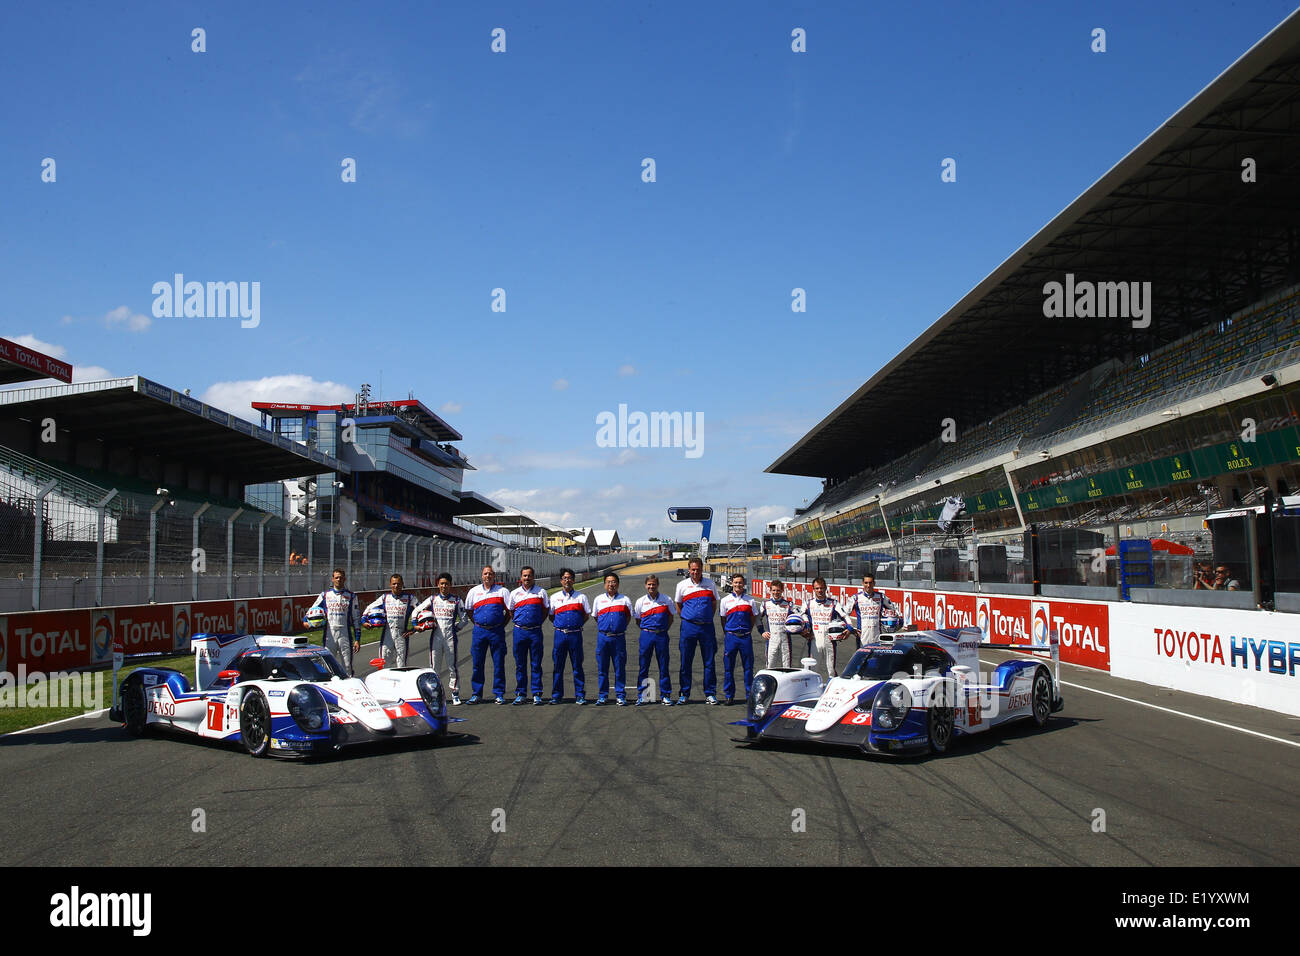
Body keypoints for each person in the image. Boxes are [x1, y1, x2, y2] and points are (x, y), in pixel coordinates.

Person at [414, 572, 467, 704]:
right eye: (442, 583)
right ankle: (434, 694)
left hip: (450, 637)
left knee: (452, 666)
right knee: (434, 668)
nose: (444, 586)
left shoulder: (457, 600)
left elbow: (465, 619)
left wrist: (456, 628)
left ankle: (455, 693)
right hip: (436, 637)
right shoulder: (432, 599)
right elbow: (416, 610)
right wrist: (416, 625)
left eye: (446, 584)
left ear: (450, 585)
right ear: (438, 584)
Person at [674, 557, 721, 705]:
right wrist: (687, 618)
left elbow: (714, 604)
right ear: (689, 569)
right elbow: (678, 604)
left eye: (698, 570)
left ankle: (710, 693)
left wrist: (705, 617)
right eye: (693, 569)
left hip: (706, 627)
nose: (695, 572)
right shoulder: (682, 585)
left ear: (702, 569)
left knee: (709, 661)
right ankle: (684, 693)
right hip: (689, 627)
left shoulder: (710, 584)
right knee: (685, 661)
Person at [464, 565, 513, 704]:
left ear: (494, 576)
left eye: (490, 574)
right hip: (479, 632)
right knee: (477, 663)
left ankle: (499, 693)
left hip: (496, 631)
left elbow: (509, 612)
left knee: (498, 663)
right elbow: (469, 610)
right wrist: (477, 623)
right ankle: (476, 693)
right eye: (485, 574)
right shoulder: (473, 591)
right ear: (482, 576)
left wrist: (501, 624)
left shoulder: (502, 591)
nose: (488, 576)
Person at [308, 568, 361, 677]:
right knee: (328, 665)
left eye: (341, 578)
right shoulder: (325, 595)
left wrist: (357, 639)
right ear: (332, 579)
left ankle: (349, 687)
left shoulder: (351, 596)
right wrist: (306, 622)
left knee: (347, 665)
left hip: (345, 634)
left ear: (345, 579)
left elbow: (356, 618)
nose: (339, 580)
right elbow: (312, 610)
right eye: (336, 577)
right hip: (329, 634)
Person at [509, 566, 550, 705]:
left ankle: (537, 693)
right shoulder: (514, 593)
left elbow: (545, 611)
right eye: (524, 576)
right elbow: (511, 612)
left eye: (529, 576)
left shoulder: (541, 592)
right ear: (521, 578)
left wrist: (537, 622)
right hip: (520, 631)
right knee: (520, 664)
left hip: (535, 632)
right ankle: (521, 693)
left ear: (533, 577)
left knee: (536, 663)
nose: (527, 578)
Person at [549, 568, 591, 704]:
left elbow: (586, 615)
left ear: (573, 580)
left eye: (570, 578)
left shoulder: (581, 597)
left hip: (575, 635)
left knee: (577, 665)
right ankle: (556, 695)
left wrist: (575, 625)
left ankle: (580, 695)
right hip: (560, 635)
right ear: (561, 580)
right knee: (558, 666)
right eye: (565, 578)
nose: (567, 580)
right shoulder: (554, 597)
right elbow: (551, 616)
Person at [592, 572, 634, 705]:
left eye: (614, 582)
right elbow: (595, 617)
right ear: (604, 584)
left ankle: (620, 695)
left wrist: (618, 628)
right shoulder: (598, 599)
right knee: (602, 668)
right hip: (603, 638)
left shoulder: (625, 599)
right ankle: (603, 695)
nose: (611, 584)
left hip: (618, 638)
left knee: (619, 668)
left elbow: (628, 617)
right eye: (608, 582)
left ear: (618, 584)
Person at [800, 576, 854, 678]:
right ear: (813, 589)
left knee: (831, 669)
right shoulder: (807, 603)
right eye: (817, 588)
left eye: (821, 588)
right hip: (814, 639)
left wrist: (849, 629)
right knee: (812, 668)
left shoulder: (834, 603)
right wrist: (804, 629)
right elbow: (800, 616)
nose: (819, 590)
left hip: (830, 640)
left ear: (826, 588)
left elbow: (845, 616)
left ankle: (832, 692)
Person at [718, 574, 760, 705]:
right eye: (736, 583)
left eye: (740, 583)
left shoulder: (750, 601)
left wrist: (748, 630)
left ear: (744, 584)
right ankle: (729, 695)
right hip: (731, 637)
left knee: (748, 667)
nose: (738, 585)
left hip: (745, 637)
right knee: (728, 667)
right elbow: (723, 619)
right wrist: (728, 632)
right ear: (732, 584)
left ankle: (749, 695)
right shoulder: (725, 601)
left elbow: (753, 618)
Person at [634, 574, 674, 705]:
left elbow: (670, 618)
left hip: (661, 635)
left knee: (664, 666)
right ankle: (643, 695)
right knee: (644, 666)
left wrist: (662, 629)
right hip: (646, 635)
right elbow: (638, 620)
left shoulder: (666, 599)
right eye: (649, 584)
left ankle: (665, 695)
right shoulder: (640, 601)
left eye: (654, 584)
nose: (651, 586)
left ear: (658, 585)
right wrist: (648, 630)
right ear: (646, 585)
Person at [363, 573, 417, 667]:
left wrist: (414, 629)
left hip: (402, 634)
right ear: (390, 584)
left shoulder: (410, 598)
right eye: (394, 583)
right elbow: (369, 608)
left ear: (402, 584)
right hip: (387, 633)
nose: (396, 586)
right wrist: (364, 621)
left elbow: (420, 612)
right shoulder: (384, 598)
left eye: (399, 583)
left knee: (402, 664)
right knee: (384, 661)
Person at [844, 572, 897, 647]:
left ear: (874, 583)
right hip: (862, 636)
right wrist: (850, 629)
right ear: (862, 583)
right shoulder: (856, 598)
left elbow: (894, 610)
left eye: (870, 583)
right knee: (862, 658)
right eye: (866, 583)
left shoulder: (881, 597)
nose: (868, 585)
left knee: (878, 657)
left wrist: (898, 622)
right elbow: (844, 614)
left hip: (878, 635)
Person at [759, 579, 796, 668]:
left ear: (782, 591)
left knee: (787, 665)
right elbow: (757, 619)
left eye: (778, 590)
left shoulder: (789, 604)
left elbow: (800, 616)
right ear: (770, 591)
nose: (776, 592)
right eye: (774, 590)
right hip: (771, 638)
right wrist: (762, 631)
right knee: (770, 664)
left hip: (785, 638)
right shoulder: (765, 604)